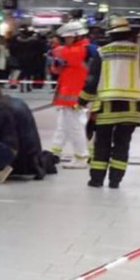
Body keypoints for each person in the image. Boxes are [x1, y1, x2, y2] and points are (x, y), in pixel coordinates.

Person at [79, 17, 140, 189]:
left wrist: (83, 99)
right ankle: (115, 181)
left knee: (102, 143)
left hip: (107, 106)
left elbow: (92, 80)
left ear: (111, 35)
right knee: (123, 143)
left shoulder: (102, 52)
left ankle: (96, 179)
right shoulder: (139, 52)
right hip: (132, 106)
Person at [49, 21, 92, 169]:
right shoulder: (73, 49)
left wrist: (55, 51)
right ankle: (55, 152)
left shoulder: (82, 49)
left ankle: (81, 156)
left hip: (75, 95)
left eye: (68, 37)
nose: (65, 40)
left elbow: (64, 54)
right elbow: (57, 70)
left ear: (77, 36)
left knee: (74, 126)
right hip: (67, 94)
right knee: (63, 124)